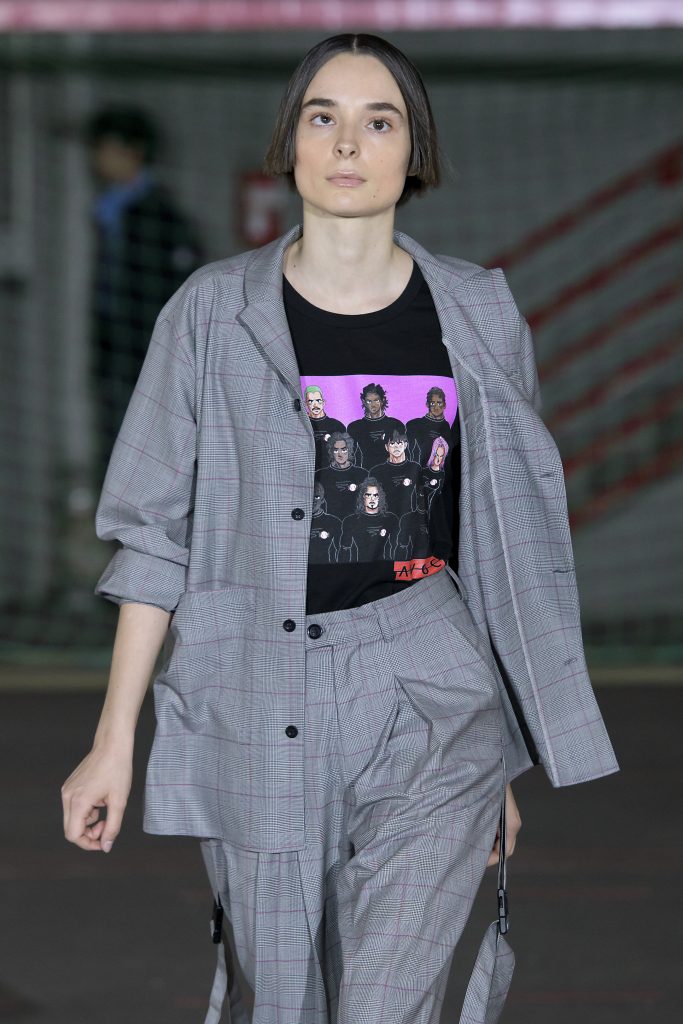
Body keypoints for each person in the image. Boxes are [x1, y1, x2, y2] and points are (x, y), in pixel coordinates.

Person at [61, 34, 620, 1024]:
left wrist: (498, 759)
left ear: (415, 150)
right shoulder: (209, 315)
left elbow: (491, 543)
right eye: (323, 116)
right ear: (290, 142)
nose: (348, 143)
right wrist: (113, 741)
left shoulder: (479, 314)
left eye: (379, 120)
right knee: (286, 1000)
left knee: (385, 1005)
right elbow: (153, 539)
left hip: (430, 686)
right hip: (253, 687)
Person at [85, 104, 203, 486]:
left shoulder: (157, 216)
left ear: (132, 151)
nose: (97, 159)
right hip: (118, 354)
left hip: (148, 358)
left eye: (105, 148)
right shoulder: (113, 210)